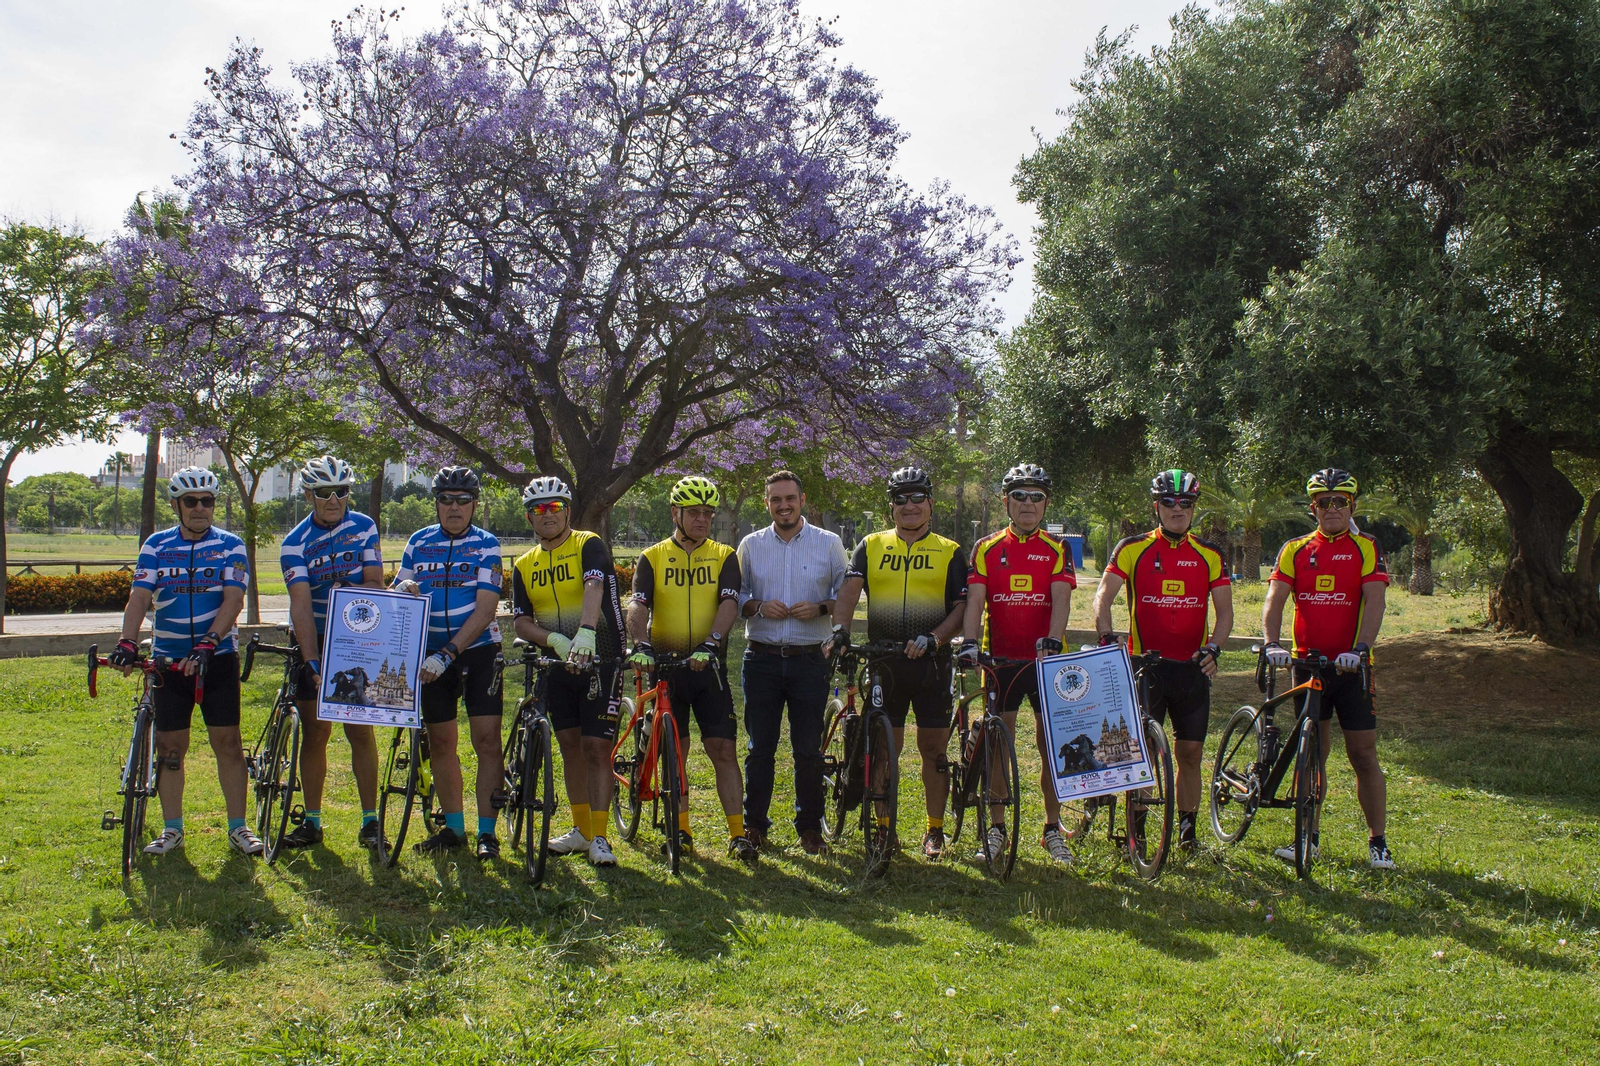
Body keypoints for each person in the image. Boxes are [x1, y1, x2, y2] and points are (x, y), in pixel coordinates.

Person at [110, 467, 260, 857]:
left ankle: (238, 828)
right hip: (169, 663)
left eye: (207, 501)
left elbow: (233, 599)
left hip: (217, 660)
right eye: (191, 502)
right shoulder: (156, 546)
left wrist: (209, 643)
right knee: (170, 748)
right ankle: (172, 829)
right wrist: (127, 641)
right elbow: (139, 598)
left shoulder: (231, 545)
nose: (199, 508)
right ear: (176, 505)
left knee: (227, 743)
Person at [827, 466, 968, 860]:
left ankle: (934, 830)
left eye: (917, 497)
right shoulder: (870, 545)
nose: (909, 506)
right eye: (901, 499)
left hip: (932, 663)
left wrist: (936, 637)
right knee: (886, 749)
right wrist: (840, 629)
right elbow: (849, 593)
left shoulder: (951, 551)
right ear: (891, 506)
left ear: (930, 504)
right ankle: (884, 828)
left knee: (934, 751)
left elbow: (961, 607)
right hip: (884, 661)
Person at [1092, 468, 1233, 852]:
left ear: (1193, 509)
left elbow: (1225, 614)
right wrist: (1107, 634)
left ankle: (1188, 832)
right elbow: (1103, 597)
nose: (1177, 509)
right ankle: (1135, 831)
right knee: (1142, 753)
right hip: (1145, 667)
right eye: (1169, 502)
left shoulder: (1209, 554)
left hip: (1191, 669)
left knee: (1190, 752)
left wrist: (1214, 648)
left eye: (1185, 503)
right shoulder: (1132, 548)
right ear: (1157, 506)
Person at [1262, 467, 1393, 870]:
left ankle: (1378, 842)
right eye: (1324, 502)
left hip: (1353, 668)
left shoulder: (1366, 546)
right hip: (1307, 664)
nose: (1332, 508)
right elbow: (1275, 600)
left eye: (1340, 502)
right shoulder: (1296, 549)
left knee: (1363, 754)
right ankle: (1308, 836)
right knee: (1312, 751)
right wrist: (1272, 643)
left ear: (1351, 506)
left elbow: (1375, 602)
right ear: (1314, 508)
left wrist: (1361, 648)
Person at [627, 476, 756, 864]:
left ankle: (738, 834)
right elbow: (637, 604)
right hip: (666, 667)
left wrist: (712, 642)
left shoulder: (723, 555)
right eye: (694, 512)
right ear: (675, 513)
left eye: (707, 512)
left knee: (723, 750)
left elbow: (729, 603)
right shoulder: (652, 556)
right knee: (676, 751)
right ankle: (680, 829)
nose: (702, 519)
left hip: (708, 667)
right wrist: (640, 644)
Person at [957, 463, 1076, 864]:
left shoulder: (1058, 548)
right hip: (1001, 662)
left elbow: (1062, 599)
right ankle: (996, 829)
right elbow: (975, 601)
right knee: (997, 746)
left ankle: (1051, 828)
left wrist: (1054, 640)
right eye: (1020, 496)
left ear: (1046, 504)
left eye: (1037, 496)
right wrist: (971, 643)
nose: (1029, 503)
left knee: (1051, 748)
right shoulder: (987, 547)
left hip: (1045, 664)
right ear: (1006, 501)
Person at [510, 476, 626, 867]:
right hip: (557, 665)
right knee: (570, 748)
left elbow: (593, 587)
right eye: (539, 509)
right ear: (529, 517)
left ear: (568, 512)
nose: (547, 515)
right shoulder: (525, 564)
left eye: (555, 507)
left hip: (601, 657)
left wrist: (586, 633)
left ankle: (600, 837)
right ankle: (580, 831)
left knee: (596, 748)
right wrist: (553, 640)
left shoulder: (587, 544)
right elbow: (521, 622)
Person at [392, 467, 505, 858]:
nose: (454, 507)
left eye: (462, 500)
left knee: (487, 740)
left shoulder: (487, 544)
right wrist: (401, 588)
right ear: (436, 503)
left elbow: (486, 610)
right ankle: (454, 828)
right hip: (429, 656)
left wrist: (450, 652)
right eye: (446, 499)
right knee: (441, 741)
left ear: (474, 504)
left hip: (476, 652)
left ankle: (487, 833)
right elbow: (400, 588)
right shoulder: (418, 541)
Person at [736, 471, 849, 856]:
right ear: (766, 503)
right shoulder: (750, 545)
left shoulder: (829, 543)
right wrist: (758, 606)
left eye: (790, 498)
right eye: (775, 499)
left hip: (808, 660)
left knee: (808, 750)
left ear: (801, 500)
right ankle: (755, 826)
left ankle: (810, 828)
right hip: (762, 658)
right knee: (759, 748)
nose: (783, 505)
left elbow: (846, 596)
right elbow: (738, 598)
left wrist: (820, 607)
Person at [276, 455, 386, 851]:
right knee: (316, 731)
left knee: (360, 730)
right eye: (325, 493)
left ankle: (371, 821)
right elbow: (301, 606)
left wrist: (348, 594)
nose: (335, 499)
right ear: (309, 495)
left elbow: (375, 582)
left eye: (342, 491)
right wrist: (312, 661)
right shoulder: (294, 544)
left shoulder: (365, 528)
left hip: (357, 639)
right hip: (316, 637)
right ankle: (313, 821)